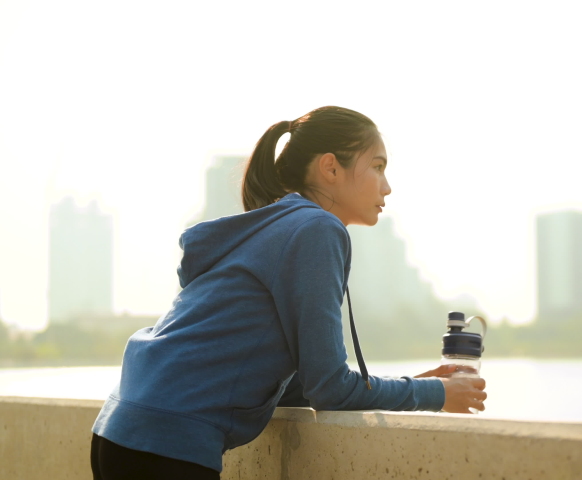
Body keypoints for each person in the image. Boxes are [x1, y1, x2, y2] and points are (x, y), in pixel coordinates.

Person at [89, 106, 488, 479]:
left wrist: (411, 383)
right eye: (378, 166)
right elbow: (329, 389)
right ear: (330, 167)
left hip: (119, 430)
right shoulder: (317, 230)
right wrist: (435, 393)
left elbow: (296, 384)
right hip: (167, 449)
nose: (388, 186)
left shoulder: (275, 226)